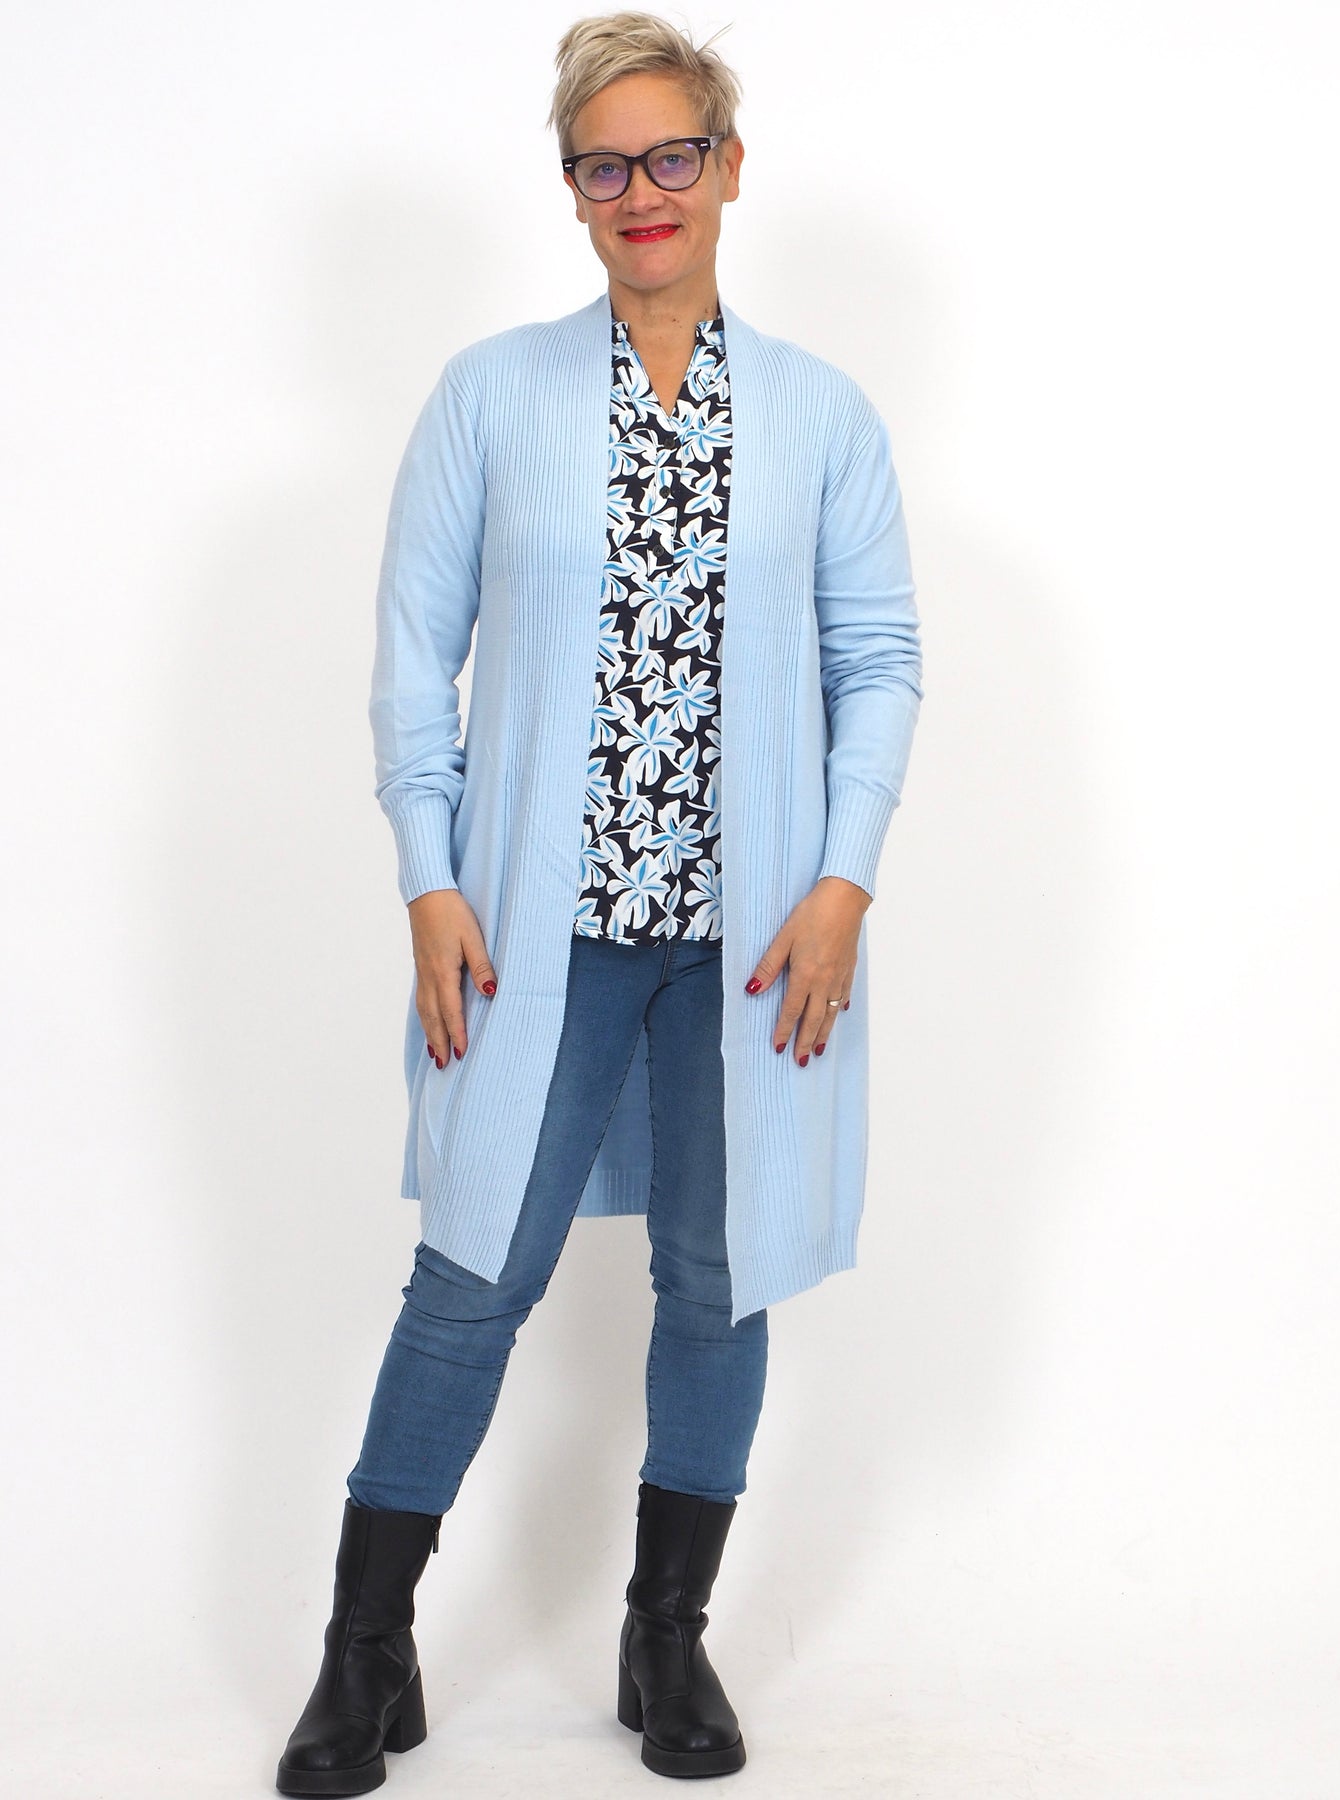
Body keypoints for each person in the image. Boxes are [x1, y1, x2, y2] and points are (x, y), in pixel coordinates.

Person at [275, 10, 924, 1794]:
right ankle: (364, 1651)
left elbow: (875, 660)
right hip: (533, 932)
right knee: (469, 1275)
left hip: (751, 941)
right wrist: (429, 882)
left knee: (717, 1280)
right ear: (569, 190)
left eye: (671, 155)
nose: (642, 191)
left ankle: (666, 1637)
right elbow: (413, 665)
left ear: (728, 168)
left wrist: (842, 881)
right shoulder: (492, 397)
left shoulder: (819, 415)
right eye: (603, 164)